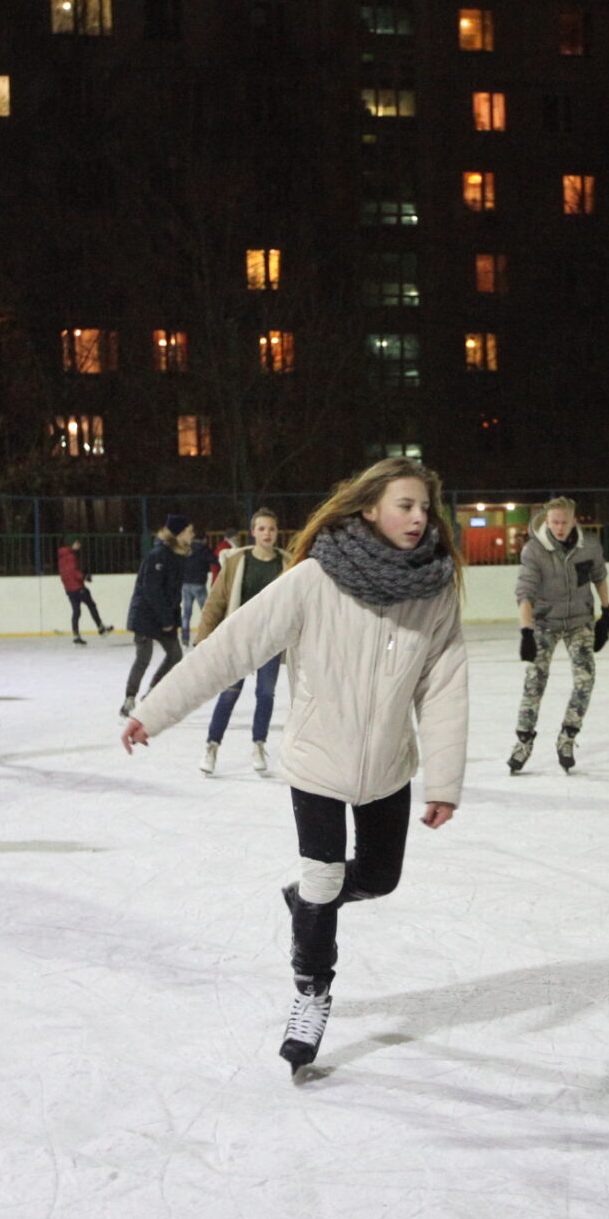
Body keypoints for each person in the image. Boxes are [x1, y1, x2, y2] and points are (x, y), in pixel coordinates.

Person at [120, 457, 469, 1077]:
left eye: (424, 508)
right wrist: (156, 709)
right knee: (323, 878)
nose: (418, 518)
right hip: (316, 762)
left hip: (389, 766)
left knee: (381, 877)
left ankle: (305, 898)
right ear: (368, 509)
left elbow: (442, 689)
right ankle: (311, 994)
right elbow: (231, 647)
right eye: (405, 505)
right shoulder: (313, 580)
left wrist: (442, 781)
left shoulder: (433, 592)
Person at [511, 496, 609, 773]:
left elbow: (599, 576)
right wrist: (526, 632)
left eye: (564, 522)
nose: (559, 527)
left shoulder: (588, 544)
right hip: (544, 622)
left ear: (573, 520)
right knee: (535, 681)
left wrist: (607, 612)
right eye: (554, 522)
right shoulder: (534, 550)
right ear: (546, 520)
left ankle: (568, 736)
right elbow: (525, 593)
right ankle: (523, 741)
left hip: (580, 621)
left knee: (585, 680)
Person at [197, 507, 290, 776]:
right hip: (239, 640)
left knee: (265, 693)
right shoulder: (237, 561)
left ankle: (259, 745)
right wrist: (204, 637)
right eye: (261, 529)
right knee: (229, 693)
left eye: (271, 529)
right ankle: (212, 746)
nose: (267, 534)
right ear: (253, 532)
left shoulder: (286, 564)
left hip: (270, 640)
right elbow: (216, 601)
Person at [123, 515, 189, 715]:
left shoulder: (176, 555)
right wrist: (167, 620)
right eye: (189, 531)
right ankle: (129, 700)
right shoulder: (158, 555)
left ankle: (152, 694)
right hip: (146, 615)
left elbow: (172, 592)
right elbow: (152, 590)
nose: (193, 535)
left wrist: (170, 618)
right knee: (144, 657)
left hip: (163, 616)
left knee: (175, 655)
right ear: (178, 534)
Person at [176, 525, 221, 646]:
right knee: (206, 612)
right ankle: (206, 635)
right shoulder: (204, 549)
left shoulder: (186, 548)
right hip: (199, 584)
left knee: (186, 613)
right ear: (204, 539)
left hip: (185, 584)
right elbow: (214, 561)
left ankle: (185, 638)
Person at [58, 540, 109, 643]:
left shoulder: (62, 557)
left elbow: (65, 573)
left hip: (69, 589)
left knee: (76, 611)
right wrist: (84, 576)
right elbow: (73, 571)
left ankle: (76, 636)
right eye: (77, 543)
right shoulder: (70, 556)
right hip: (78, 587)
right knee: (91, 605)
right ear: (71, 544)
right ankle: (101, 628)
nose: (78, 545)